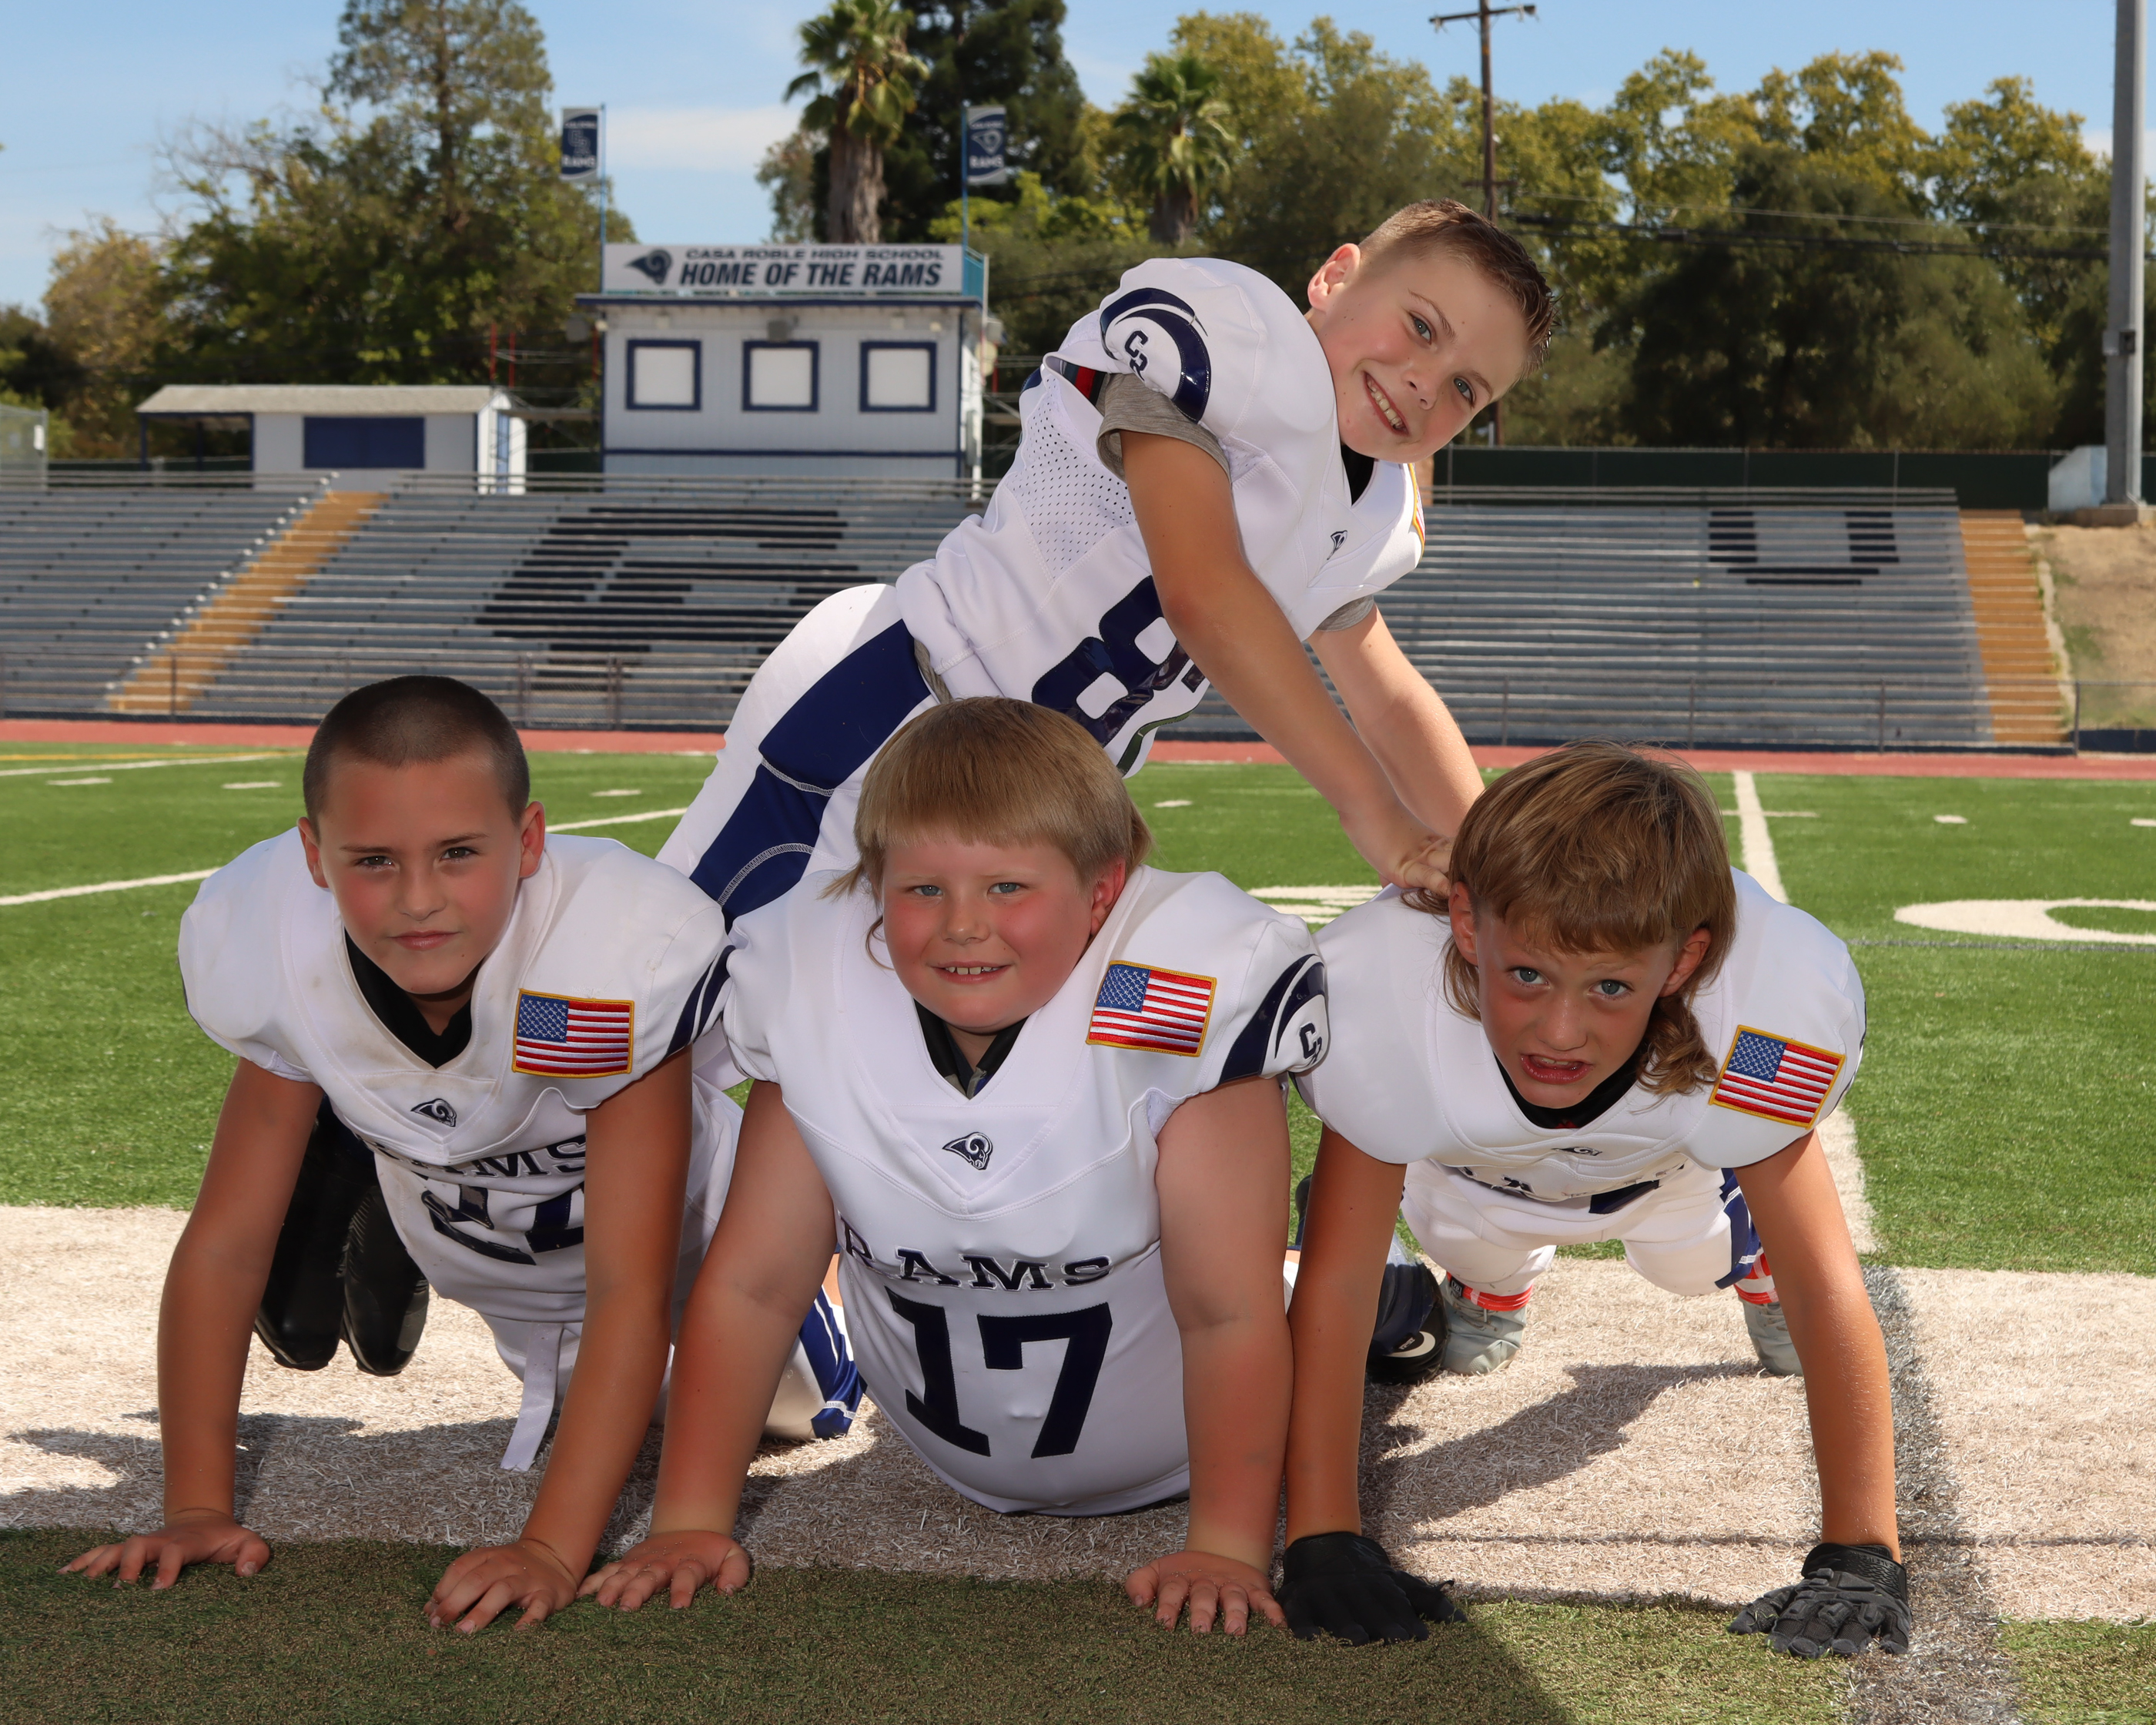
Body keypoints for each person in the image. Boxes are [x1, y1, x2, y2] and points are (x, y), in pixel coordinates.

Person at [65, 677, 854, 1633]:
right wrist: (195, 1506)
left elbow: (630, 1287)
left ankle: (833, 1277)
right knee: (573, 1365)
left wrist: (551, 1546)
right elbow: (226, 1243)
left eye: (457, 853)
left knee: (800, 1409)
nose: (418, 898)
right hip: (485, 1244)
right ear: (313, 855)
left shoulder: (598, 957)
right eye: (373, 860)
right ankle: (378, 1137)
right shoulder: (272, 943)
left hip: (677, 1237)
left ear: (528, 841)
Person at [584, 699, 1331, 1635]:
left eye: (1008, 886)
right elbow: (755, 1284)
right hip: (945, 1455)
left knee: (1318, 1305)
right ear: (873, 886)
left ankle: (1399, 1292)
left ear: (1102, 891)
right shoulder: (813, 979)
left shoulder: (1176, 989)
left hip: (1174, 1450)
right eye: (923, 888)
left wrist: (1225, 1542)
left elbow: (1227, 1309)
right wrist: (688, 1520)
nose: (963, 925)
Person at [658, 199, 1552, 926]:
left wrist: (1494, 869)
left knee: (870, 1060)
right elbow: (1202, 592)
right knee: (678, 985)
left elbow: (1386, 695)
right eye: (1421, 326)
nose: (1427, 382)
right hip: (898, 709)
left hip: (1035, 806)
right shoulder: (1233, 335)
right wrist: (1378, 816)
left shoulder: (1369, 508)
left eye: (1466, 388)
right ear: (1333, 277)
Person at [1280, 742, 1908, 1659]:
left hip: (1666, 1178)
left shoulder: (1759, 1011)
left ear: (1685, 961)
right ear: (1465, 924)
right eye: (1526, 973)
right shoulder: (1387, 996)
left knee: (1687, 1262)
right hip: (1477, 1176)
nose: (1561, 1029)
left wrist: (1862, 1549)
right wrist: (1322, 1533)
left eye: (1611, 985)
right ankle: (1492, 1287)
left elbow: (1827, 1281)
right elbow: (1336, 1283)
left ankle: (1747, 1255)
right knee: (1468, 1244)